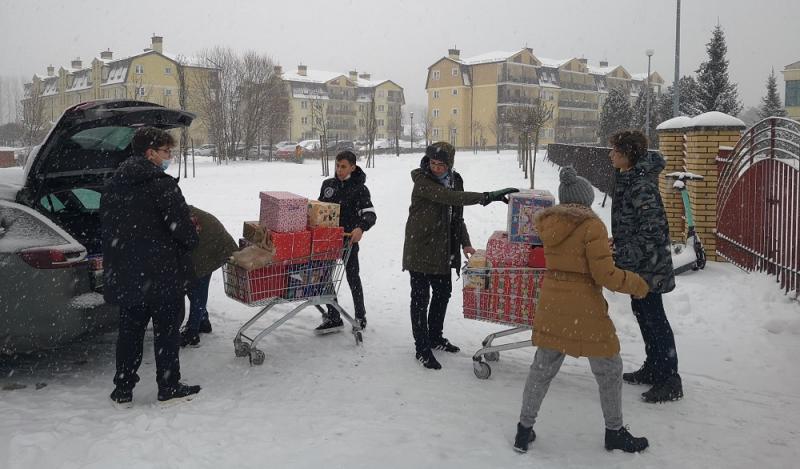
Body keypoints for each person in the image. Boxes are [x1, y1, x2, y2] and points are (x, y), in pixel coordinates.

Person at [513, 166, 651, 454]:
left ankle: (523, 430)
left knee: (541, 369)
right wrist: (638, 284)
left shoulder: (548, 224)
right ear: (586, 199)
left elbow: (569, 257)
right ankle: (614, 431)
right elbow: (605, 275)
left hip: (552, 304)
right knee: (610, 370)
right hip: (584, 310)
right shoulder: (592, 226)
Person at [102, 127, 201, 406]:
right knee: (167, 331)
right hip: (162, 275)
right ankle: (168, 385)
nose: (169, 156)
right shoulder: (162, 185)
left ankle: (123, 387)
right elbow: (184, 232)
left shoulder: (112, 185)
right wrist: (191, 234)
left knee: (130, 332)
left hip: (127, 272)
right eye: (166, 151)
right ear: (150, 153)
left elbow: (108, 228)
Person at [402, 141, 518, 369]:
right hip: (421, 247)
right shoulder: (423, 182)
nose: (436, 168)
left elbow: (457, 216)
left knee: (443, 293)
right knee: (420, 299)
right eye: (432, 163)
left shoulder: (456, 181)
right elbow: (450, 198)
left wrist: (465, 243)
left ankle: (435, 336)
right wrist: (487, 196)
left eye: (441, 164)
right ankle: (422, 348)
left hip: (443, 250)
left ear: (450, 163)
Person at [609, 130, 683, 403]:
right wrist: (618, 241)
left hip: (649, 265)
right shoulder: (629, 179)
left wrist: (622, 250)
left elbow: (653, 231)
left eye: (615, 150)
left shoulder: (641, 185)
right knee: (643, 312)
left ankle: (670, 379)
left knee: (655, 318)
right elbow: (634, 224)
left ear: (627, 154)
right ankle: (654, 368)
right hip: (639, 264)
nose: (610, 155)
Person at [314, 150, 377, 334]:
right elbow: (320, 209)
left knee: (352, 277)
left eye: (343, 166)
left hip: (349, 240)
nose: (339, 170)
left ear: (352, 167)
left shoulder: (360, 189)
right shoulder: (328, 185)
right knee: (324, 276)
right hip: (327, 240)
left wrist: (361, 227)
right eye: (337, 166)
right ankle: (334, 316)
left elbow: (370, 214)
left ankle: (360, 315)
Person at [180, 206, 238, 347]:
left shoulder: (176, 214)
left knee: (197, 287)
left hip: (210, 245)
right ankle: (202, 321)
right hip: (204, 242)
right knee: (192, 286)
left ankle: (192, 332)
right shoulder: (171, 209)